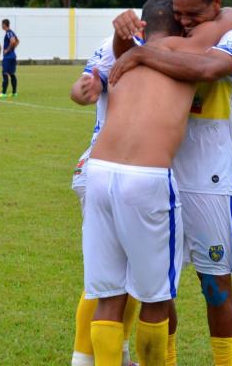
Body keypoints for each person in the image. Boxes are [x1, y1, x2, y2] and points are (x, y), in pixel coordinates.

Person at [85, 0, 232, 366]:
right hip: (145, 177)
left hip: (99, 172)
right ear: (177, 24)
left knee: (109, 297)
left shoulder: (121, 52)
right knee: (156, 298)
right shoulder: (185, 48)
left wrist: (131, 41)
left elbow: (88, 84)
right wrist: (217, 19)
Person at [69, 38, 140, 366]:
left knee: (128, 276)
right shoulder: (117, 43)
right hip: (110, 170)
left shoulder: (173, 45)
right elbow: (83, 86)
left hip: (118, 171)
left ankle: (120, 354)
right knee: (108, 279)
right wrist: (86, 87)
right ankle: (83, 360)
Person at [0, 19, 19, 98]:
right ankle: (14, 93)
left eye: (2, 24)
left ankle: (3, 93)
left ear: (4, 24)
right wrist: (13, 49)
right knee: (12, 74)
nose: (1, 26)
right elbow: (17, 41)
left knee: (5, 73)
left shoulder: (8, 32)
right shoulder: (12, 32)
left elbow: (12, 41)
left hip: (8, 57)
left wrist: (8, 50)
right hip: (13, 56)